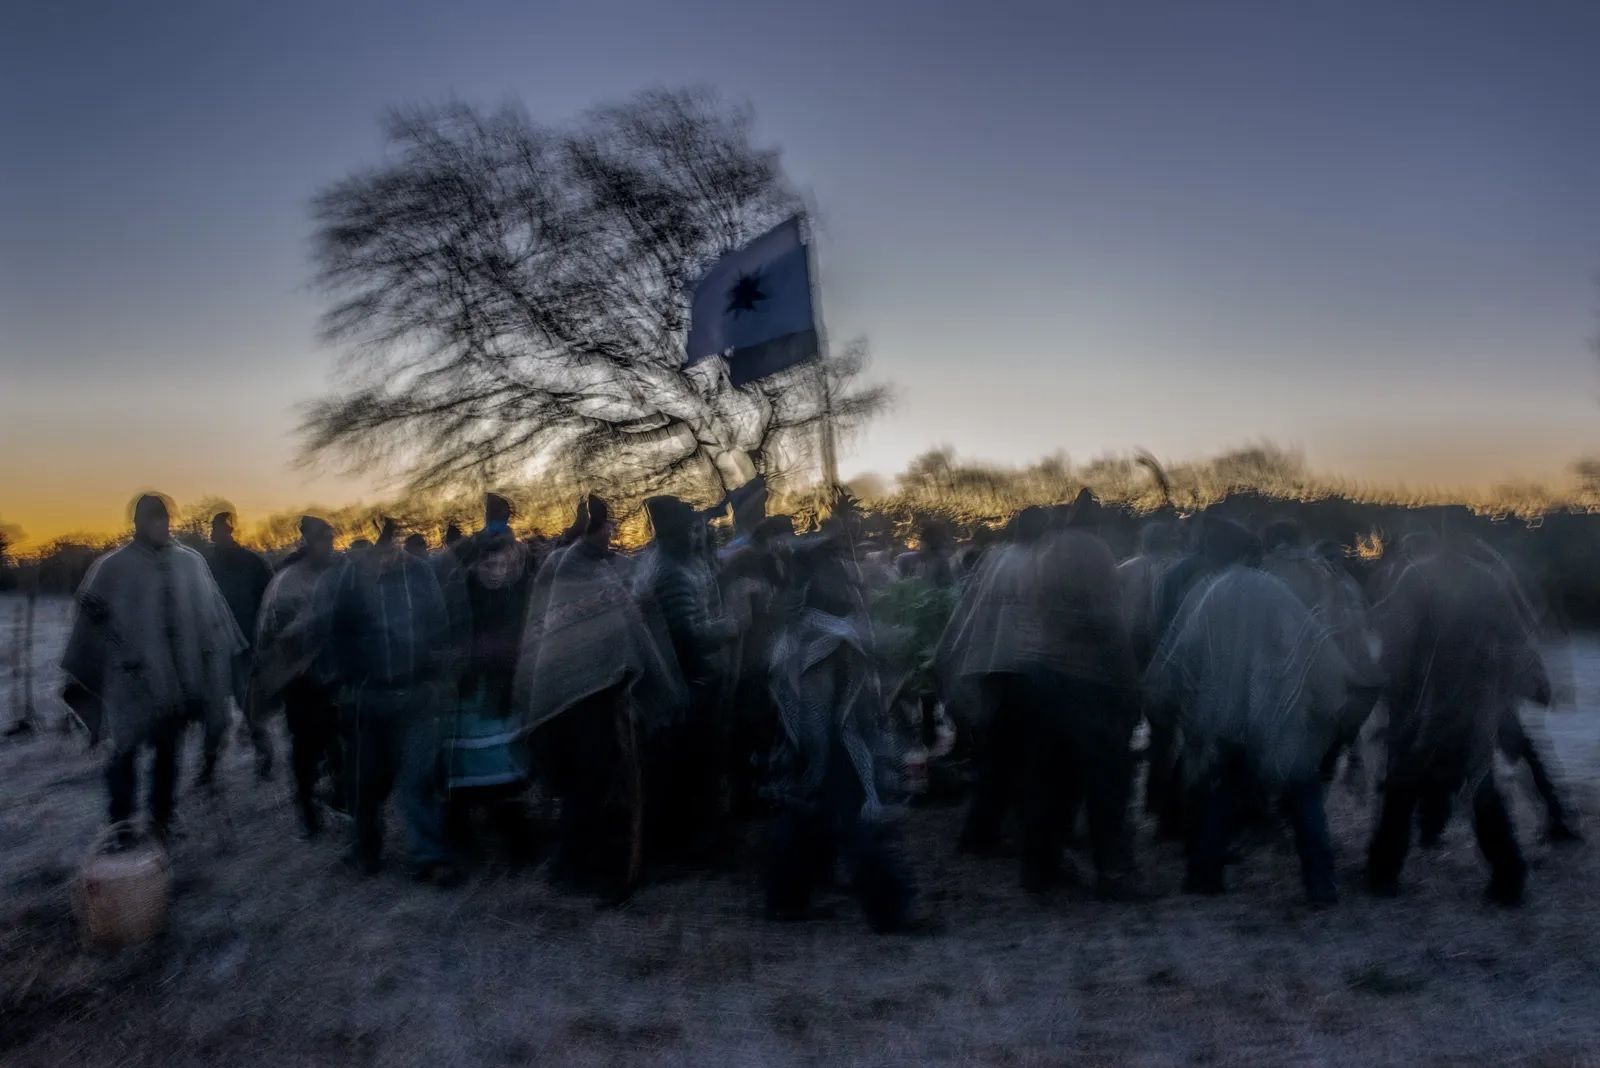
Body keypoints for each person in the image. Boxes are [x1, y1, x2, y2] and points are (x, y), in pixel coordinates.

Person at [1145, 532, 1349, 906]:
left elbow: (1184, 650)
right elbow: (1313, 644)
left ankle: (1204, 877)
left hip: (1222, 715)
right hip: (1274, 713)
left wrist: (1170, 699)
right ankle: (1320, 885)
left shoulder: (1210, 592)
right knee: (1302, 794)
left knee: (1218, 793)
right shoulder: (1276, 591)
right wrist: (1332, 698)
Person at [513, 495, 685, 901]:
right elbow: (577, 619)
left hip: (606, 703)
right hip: (581, 708)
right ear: (591, 529)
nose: (613, 533)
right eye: (607, 526)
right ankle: (580, 871)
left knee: (600, 790)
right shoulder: (572, 564)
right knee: (588, 790)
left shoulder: (599, 567)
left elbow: (626, 618)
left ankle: (588, 867)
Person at [1367, 530, 1550, 906]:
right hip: (1473, 700)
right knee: (1479, 784)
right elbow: (1517, 636)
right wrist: (1525, 683)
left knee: (1402, 788)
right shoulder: (1486, 579)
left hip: (1424, 704)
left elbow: (1397, 642)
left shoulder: (1415, 576)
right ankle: (1508, 878)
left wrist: (1390, 688)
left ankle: (1382, 874)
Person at [60, 494, 244, 839]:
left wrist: (211, 671)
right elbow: (91, 623)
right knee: (124, 756)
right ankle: (122, 827)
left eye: (163, 517)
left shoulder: (190, 564)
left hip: (179, 683)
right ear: (137, 523)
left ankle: (161, 821)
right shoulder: (112, 568)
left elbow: (213, 618)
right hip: (130, 684)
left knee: (168, 756)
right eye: (151, 518)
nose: (160, 524)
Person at [764, 535, 917, 932]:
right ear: (818, 579)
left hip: (822, 746)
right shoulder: (824, 637)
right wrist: (819, 759)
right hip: (834, 745)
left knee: (806, 820)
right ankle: (889, 911)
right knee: (861, 823)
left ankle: (787, 899)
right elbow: (815, 709)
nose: (850, 578)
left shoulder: (812, 627)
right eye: (837, 568)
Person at [1014, 494, 1144, 898]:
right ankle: (1113, 874)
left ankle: (1040, 871)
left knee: (1050, 780)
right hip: (1085, 679)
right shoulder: (1093, 550)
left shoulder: (1045, 549)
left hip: (1042, 674)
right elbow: (1108, 623)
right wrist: (1129, 682)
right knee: (1107, 781)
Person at [317, 518, 456, 883]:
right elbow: (337, 631)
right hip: (368, 696)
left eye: (389, 550)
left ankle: (430, 856)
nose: (382, 559)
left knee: (418, 779)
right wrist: (345, 683)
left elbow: (440, 626)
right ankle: (365, 850)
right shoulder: (351, 577)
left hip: (417, 694)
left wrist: (435, 677)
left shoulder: (421, 575)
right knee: (365, 782)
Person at [438, 493, 539, 864]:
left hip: (501, 685)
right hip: (471, 689)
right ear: (478, 566)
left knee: (502, 765)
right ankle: (462, 835)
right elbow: (459, 634)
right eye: (488, 566)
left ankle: (513, 839)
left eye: (500, 566)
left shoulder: (516, 589)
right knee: (467, 763)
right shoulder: (465, 592)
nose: (495, 571)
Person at [637, 495, 738, 861]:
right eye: (692, 528)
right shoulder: (671, 571)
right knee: (691, 766)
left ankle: (693, 836)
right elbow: (686, 635)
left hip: (693, 679)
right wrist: (729, 627)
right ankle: (690, 845)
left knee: (694, 766)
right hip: (687, 681)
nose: (699, 535)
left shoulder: (676, 563)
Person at [252, 516, 342, 837]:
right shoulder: (287, 582)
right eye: (321, 540)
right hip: (301, 681)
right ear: (307, 542)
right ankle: (307, 808)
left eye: (330, 539)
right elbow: (277, 635)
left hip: (336, 677)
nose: (327, 545)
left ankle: (336, 797)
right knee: (306, 745)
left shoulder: (337, 575)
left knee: (338, 743)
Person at [204, 511, 274, 781]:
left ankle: (265, 756)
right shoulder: (205, 566)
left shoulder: (253, 563)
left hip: (246, 648)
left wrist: (263, 644)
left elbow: (270, 603)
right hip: (215, 651)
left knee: (250, 708)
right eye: (212, 530)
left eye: (218, 529)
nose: (214, 534)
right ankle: (208, 766)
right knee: (214, 714)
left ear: (230, 530)